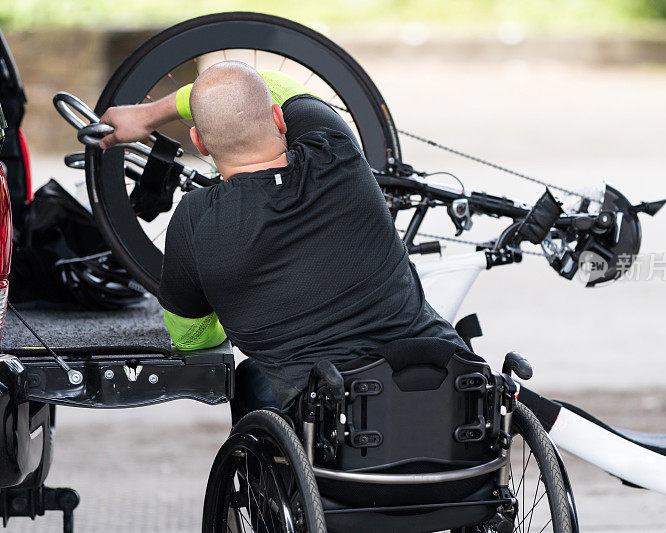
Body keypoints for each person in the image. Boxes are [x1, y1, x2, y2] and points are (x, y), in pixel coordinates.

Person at [98, 61, 468, 418]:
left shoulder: (195, 219)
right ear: (278, 117)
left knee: (247, 379)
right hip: (452, 395)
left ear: (200, 143)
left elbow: (190, 337)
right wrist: (147, 114)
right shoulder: (337, 149)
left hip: (332, 427)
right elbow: (271, 82)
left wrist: (237, 301)